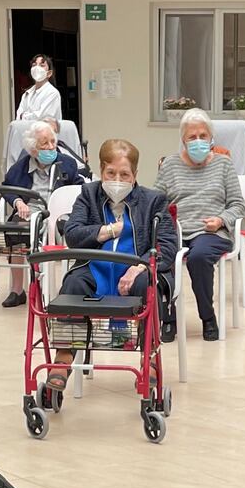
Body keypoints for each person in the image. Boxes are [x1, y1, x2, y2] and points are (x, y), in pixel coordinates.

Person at [49, 138, 177, 399]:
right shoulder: (88, 195)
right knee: (74, 283)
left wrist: (140, 267)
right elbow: (72, 235)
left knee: (147, 286)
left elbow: (167, 245)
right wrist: (108, 230)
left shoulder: (154, 201)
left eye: (124, 174)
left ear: (135, 175)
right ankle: (63, 357)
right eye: (111, 173)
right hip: (94, 267)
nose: (117, 179)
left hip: (136, 270)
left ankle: (149, 357)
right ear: (101, 170)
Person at [154, 108, 242, 342]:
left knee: (199, 257)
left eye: (203, 136)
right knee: (161, 257)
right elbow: (156, 201)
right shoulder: (170, 164)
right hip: (176, 230)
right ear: (183, 140)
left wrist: (221, 220)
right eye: (192, 137)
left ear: (211, 138)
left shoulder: (224, 165)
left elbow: (238, 204)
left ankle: (208, 317)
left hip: (210, 231)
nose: (198, 141)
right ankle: (168, 317)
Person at [0, 118, 87, 307]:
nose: (51, 147)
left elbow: (78, 186)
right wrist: (18, 201)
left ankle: (65, 288)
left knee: (74, 233)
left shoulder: (67, 163)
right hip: (31, 211)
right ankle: (17, 290)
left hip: (58, 212)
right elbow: (6, 188)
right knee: (15, 231)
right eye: (45, 143)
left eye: (53, 141)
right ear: (33, 149)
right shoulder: (21, 167)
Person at [16, 55, 62, 125]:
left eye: (42, 65)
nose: (37, 68)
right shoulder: (26, 94)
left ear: (49, 73)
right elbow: (19, 117)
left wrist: (24, 116)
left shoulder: (52, 93)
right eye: (34, 65)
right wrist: (25, 116)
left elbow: (42, 117)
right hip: (26, 134)